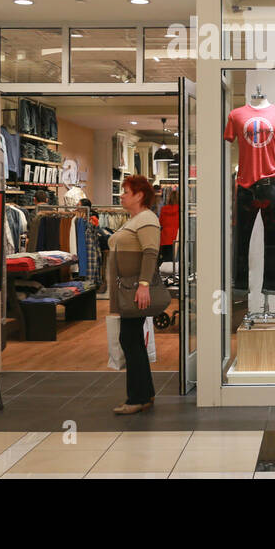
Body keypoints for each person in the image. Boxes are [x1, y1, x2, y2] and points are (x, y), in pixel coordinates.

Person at [109, 174, 161, 415]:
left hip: (135, 289)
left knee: (129, 339)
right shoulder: (136, 219)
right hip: (128, 288)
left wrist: (143, 284)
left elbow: (151, 253)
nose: (122, 196)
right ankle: (144, 393)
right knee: (132, 340)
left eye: (126, 192)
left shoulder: (147, 220)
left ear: (139, 195)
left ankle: (137, 398)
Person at [158, 188, 180, 263]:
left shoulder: (164, 209)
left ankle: (166, 274)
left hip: (165, 237)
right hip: (176, 237)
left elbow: (160, 222)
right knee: (176, 262)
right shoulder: (180, 209)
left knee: (166, 261)